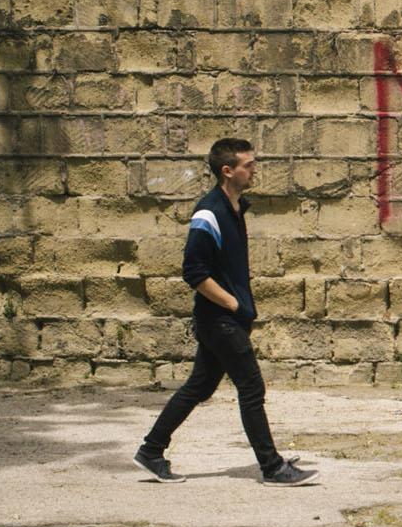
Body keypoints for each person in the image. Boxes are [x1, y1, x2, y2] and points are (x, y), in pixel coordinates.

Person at [135, 138, 315, 485]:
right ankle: (273, 467)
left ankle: (151, 450)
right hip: (219, 320)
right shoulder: (209, 213)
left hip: (228, 318)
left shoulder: (235, 207)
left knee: (198, 388)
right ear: (227, 171)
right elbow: (194, 273)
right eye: (248, 165)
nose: (254, 170)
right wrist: (233, 304)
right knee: (251, 388)